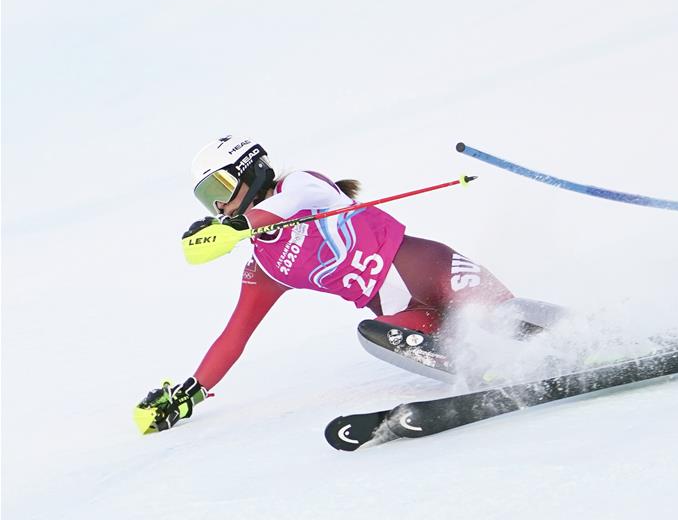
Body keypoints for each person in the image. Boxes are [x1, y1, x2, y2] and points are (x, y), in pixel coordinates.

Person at [135, 135, 554, 434]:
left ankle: (573, 339)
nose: (220, 205)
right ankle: (485, 370)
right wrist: (188, 393)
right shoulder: (266, 267)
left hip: (433, 269)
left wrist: (232, 229)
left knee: (501, 316)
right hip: (406, 311)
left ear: (252, 171)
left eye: (221, 189)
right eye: (209, 199)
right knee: (374, 334)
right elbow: (235, 333)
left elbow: (276, 211)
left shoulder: (301, 185)